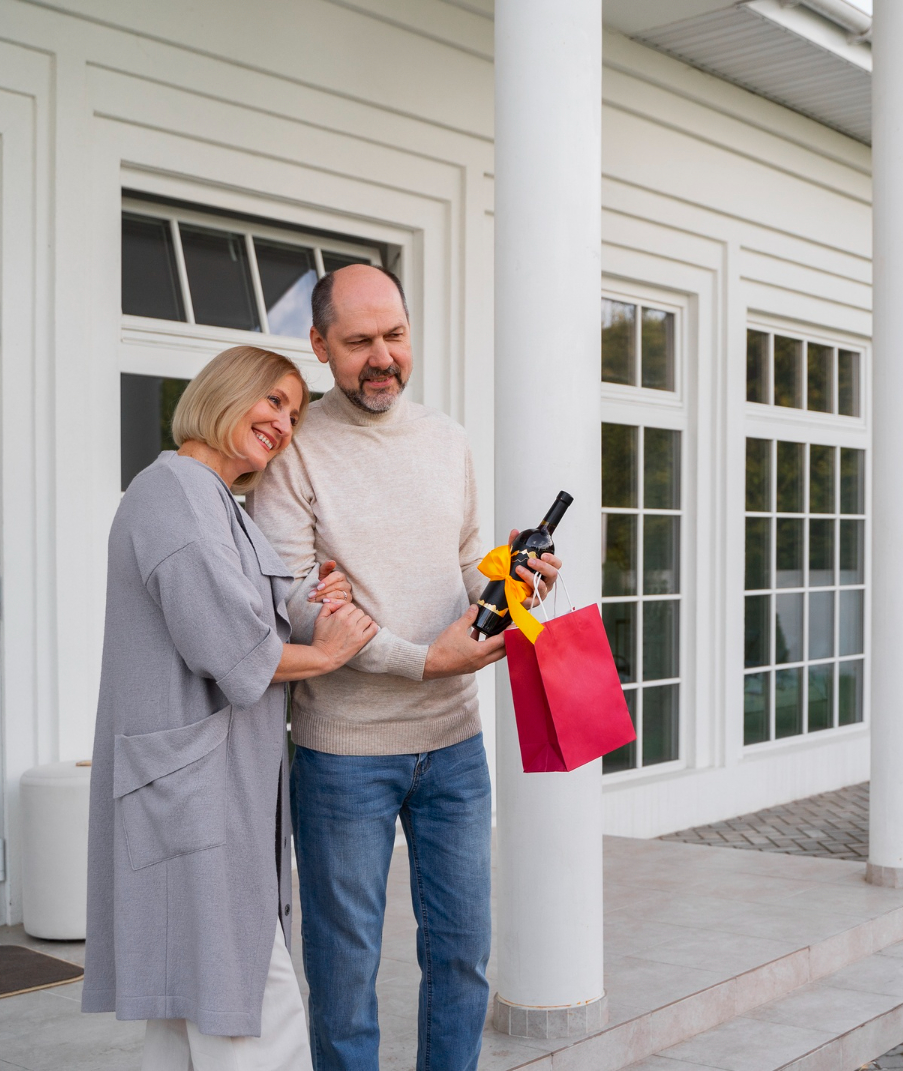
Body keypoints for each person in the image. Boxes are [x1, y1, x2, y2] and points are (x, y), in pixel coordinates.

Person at [247, 265, 559, 1071]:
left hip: (455, 744)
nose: (382, 357)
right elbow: (301, 608)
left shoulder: (446, 439)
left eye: (395, 335)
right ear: (319, 346)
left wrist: (507, 585)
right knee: (345, 973)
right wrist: (425, 660)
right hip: (341, 752)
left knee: (461, 958)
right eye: (358, 343)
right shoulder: (293, 450)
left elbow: (461, 568)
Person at [83, 345, 379, 1071]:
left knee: (188, 1015)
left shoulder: (223, 505)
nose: (284, 422)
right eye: (272, 400)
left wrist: (317, 600)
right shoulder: (173, 494)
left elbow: (262, 614)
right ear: (223, 392)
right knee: (250, 1003)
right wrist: (331, 653)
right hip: (197, 797)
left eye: (294, 412)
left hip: (201, 791)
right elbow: (239, 655)